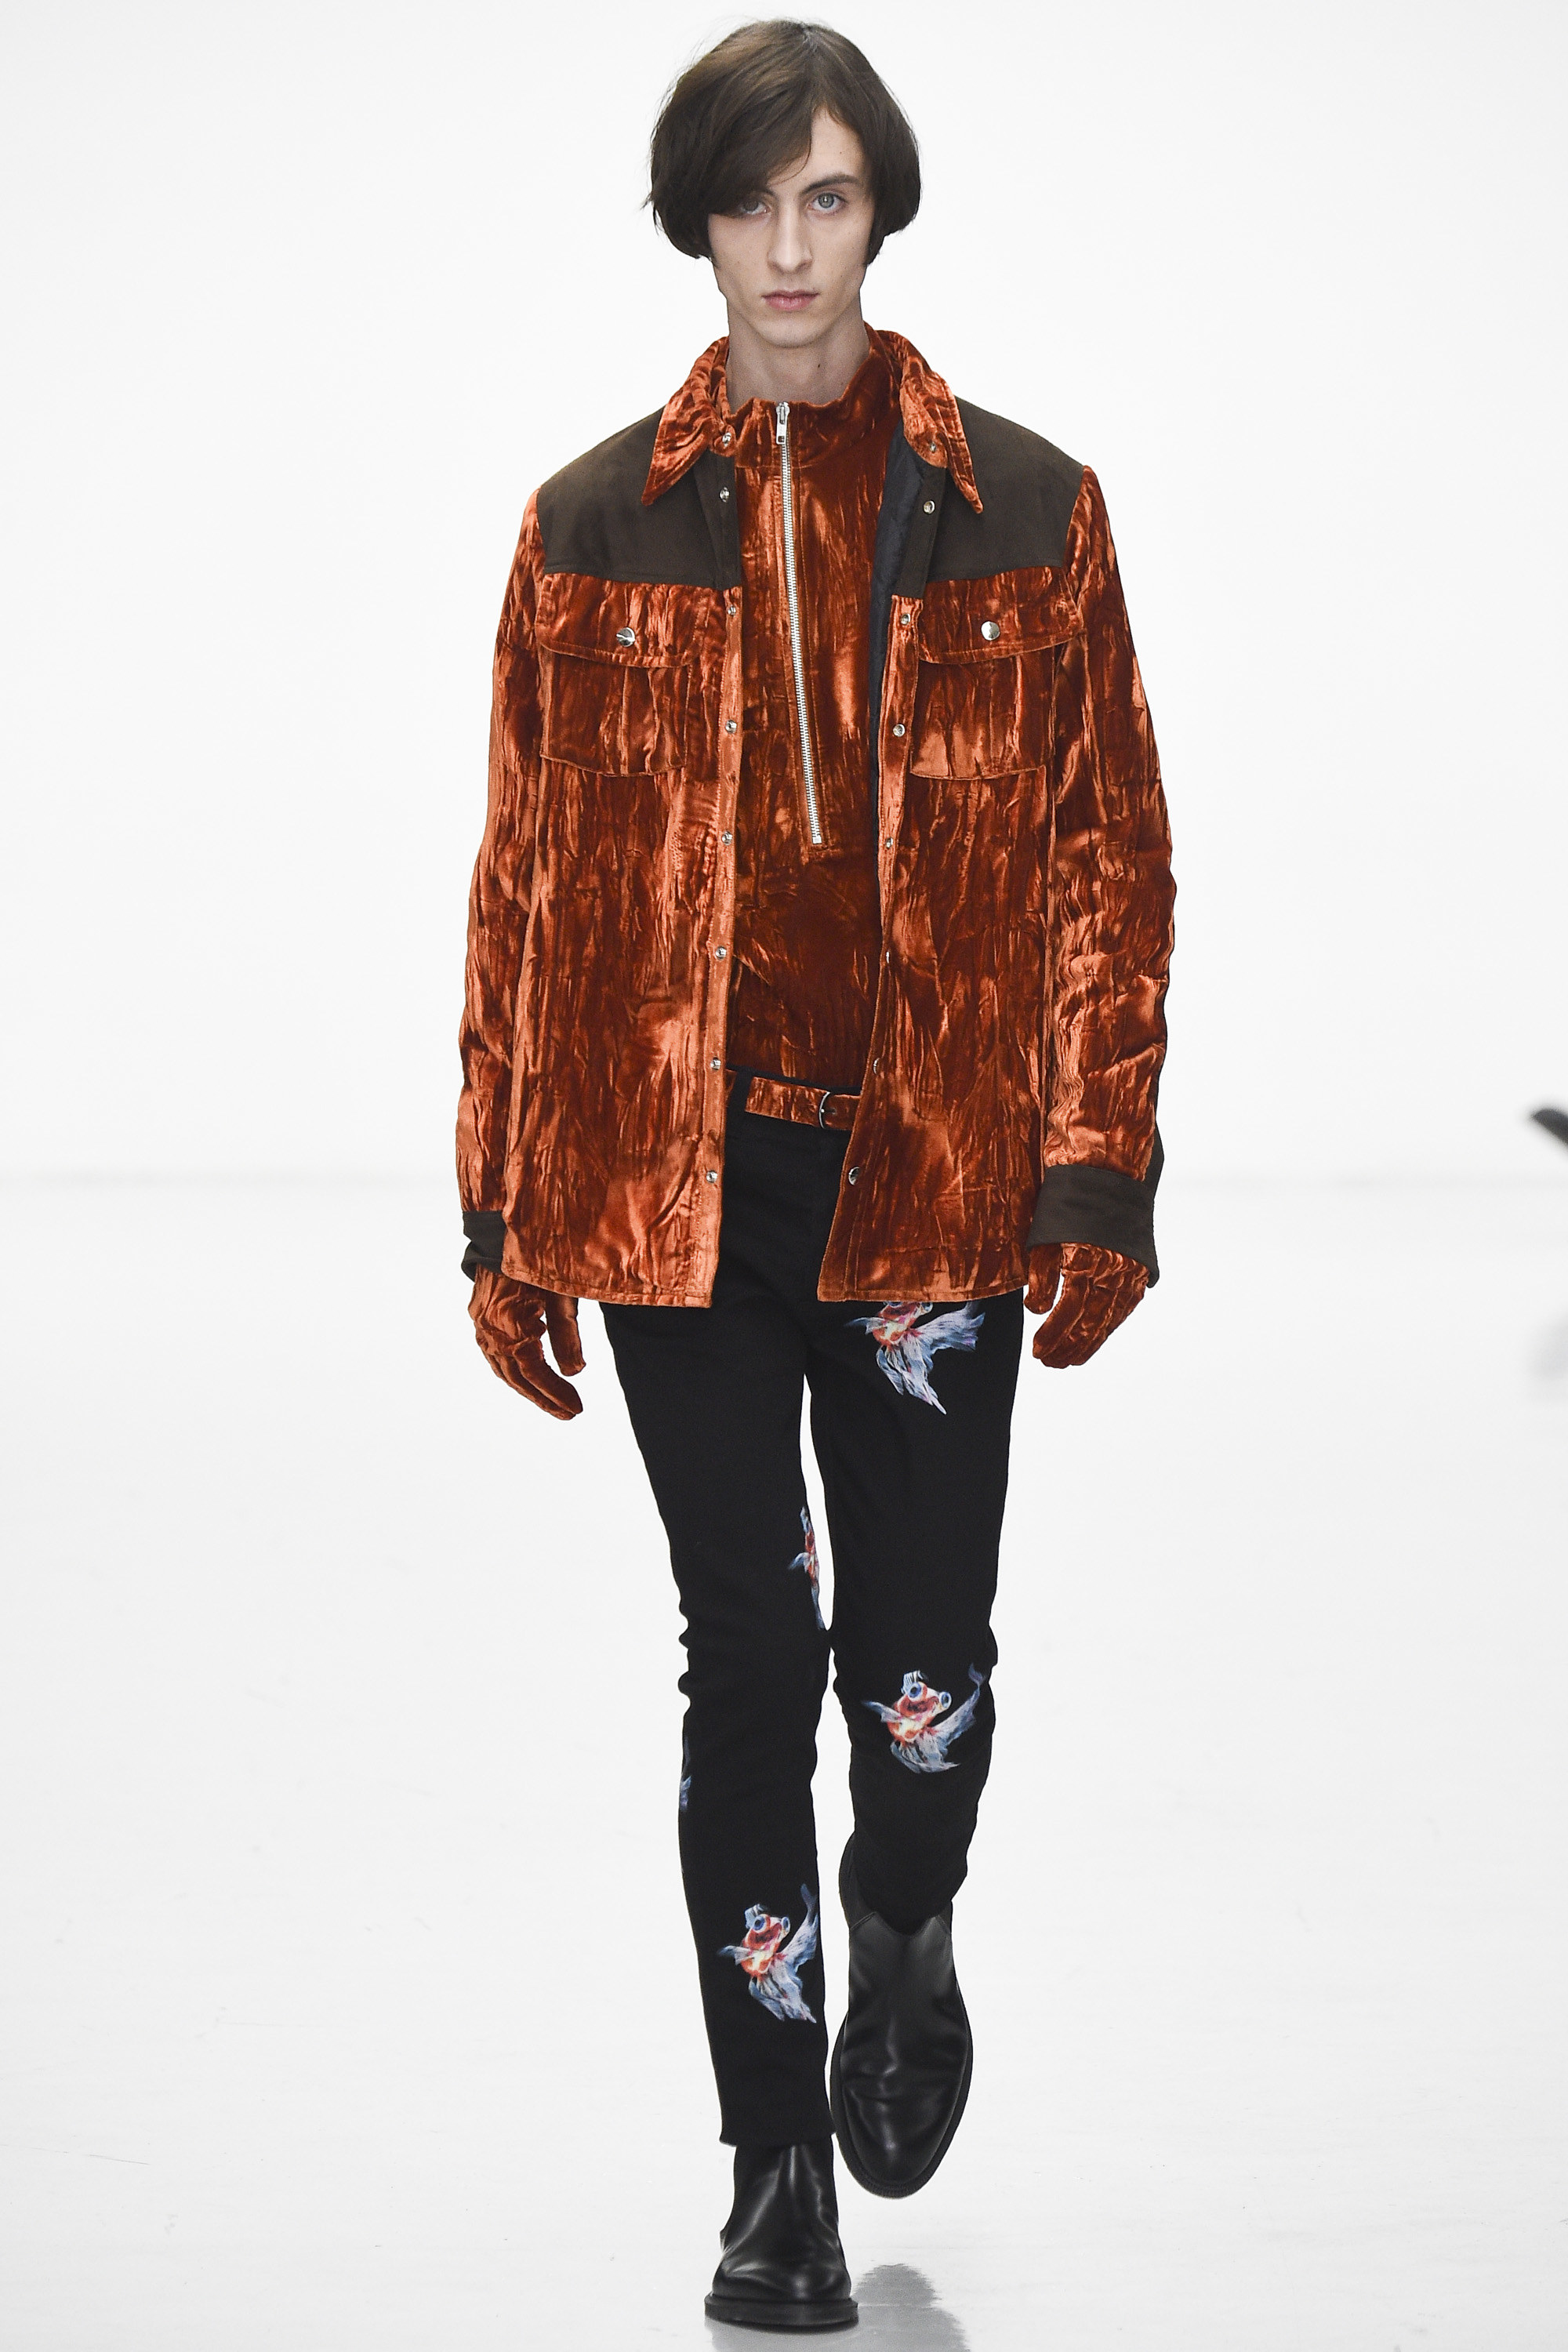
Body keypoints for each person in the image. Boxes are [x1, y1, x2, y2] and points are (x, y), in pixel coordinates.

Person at [456, 19, 1174, 2332]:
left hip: (937, 1176)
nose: (790, 246)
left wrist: (1097, 1165)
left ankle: (908, 1913)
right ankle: (776, 2165)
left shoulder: (1033, 511)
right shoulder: (586, 525)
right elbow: (525, 885)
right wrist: (500, 1204)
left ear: (882, 214)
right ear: (696, 220)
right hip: (673, 1186)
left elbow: (1108, 855)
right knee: (751, 1660)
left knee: (919, 1666)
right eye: (753, 201)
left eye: (830, 197)